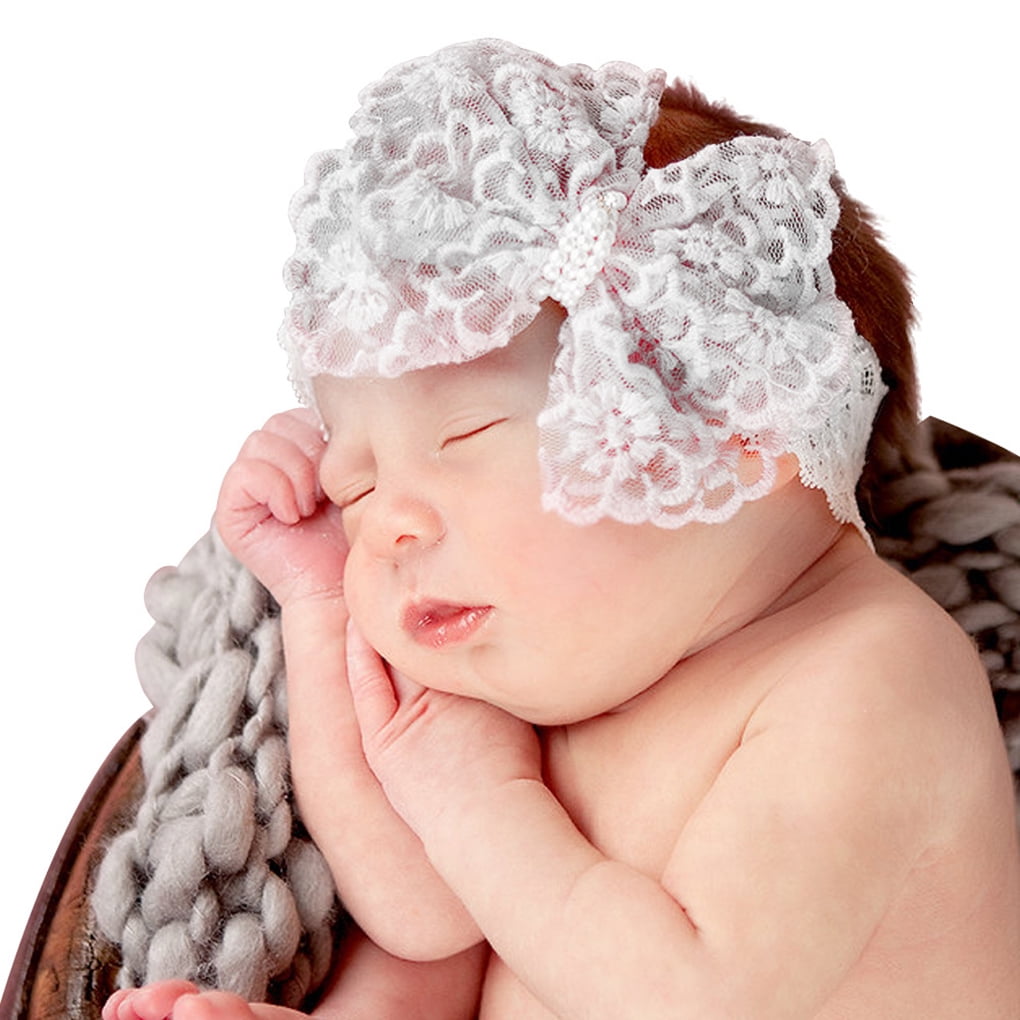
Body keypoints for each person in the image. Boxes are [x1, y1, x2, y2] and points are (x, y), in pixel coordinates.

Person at [102, 39, 1020, 1020]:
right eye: (355, 480)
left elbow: (687, 998)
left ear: (741, 425)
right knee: (412, 973)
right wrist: (318, 594)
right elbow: (422, 910)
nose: (386, 526)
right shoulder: (583, 650)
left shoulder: (870, 676)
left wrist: (484, 803)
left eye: (465, 433)